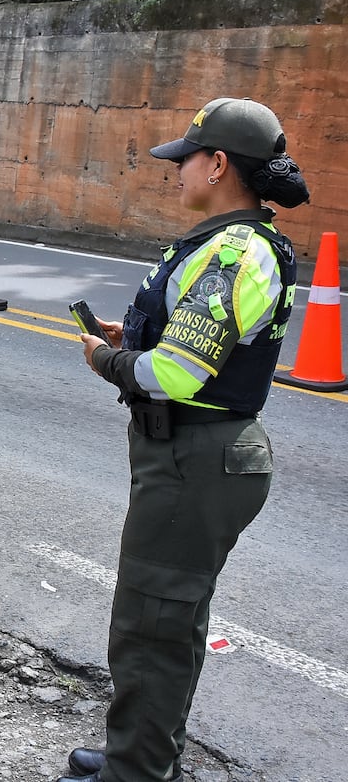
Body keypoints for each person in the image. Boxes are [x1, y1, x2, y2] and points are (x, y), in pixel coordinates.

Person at [63, 97, 307, 782]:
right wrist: (130, 335)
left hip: (195, 461)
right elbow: (189, 343)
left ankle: (135, 773)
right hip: (194, 457)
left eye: (187, 159)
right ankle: (141, 755)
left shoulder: (235, 252)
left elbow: (174, 372)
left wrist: (106, 360)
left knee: (151, 625)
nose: (177, 171)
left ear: (219, 164)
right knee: (168, 619)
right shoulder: (229, 244)